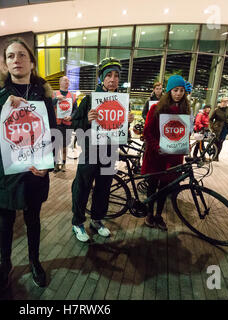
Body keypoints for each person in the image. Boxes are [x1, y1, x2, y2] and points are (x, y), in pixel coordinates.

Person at [0, 38, 56, 294]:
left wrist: (48, 166)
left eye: (21, 55)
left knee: (33, 219)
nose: (16, 60)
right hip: (4, 169)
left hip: (34, 169)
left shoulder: (42, 93)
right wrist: (1, 106)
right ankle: (5, 264)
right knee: (6, 220)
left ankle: (34, 261)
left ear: (31, 61)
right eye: (10, 56)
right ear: (6, 62)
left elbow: (52, 133)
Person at [71, 57, 135, 242]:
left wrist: (128, 125)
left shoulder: (122, 101)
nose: (113, 79)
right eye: (109, 75)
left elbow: (123, 134)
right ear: (102, 78)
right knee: (82, 187)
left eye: (116, 76)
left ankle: (97, 220)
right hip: (90, 151)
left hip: (109, 152)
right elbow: (75, 124)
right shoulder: (90, 99)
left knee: (104, 188)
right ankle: (78, 222)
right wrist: (86, 120)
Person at [141, 75, 192, 231]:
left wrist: (184, 145)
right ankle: (149, 213)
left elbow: (186, 132)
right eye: (175, 90)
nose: (178, 93)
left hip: (173, 156)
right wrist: (157, 147)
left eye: (181, 90)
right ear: (169, 90)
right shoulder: (156, 109)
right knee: (152, 185)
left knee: (166, 186)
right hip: (156, 155)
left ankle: (159, 215)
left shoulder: (185, 110)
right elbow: (148, 132)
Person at [52, 76, 77, 172]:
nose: (67, 82)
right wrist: (56, 100)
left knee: (64, 146)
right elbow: (49, 105)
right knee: (55, 145)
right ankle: (55, 164)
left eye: (68, 81)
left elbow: (76, 109)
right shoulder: (54, 94)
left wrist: (71, 117)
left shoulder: (72, 95)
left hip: (67, 124)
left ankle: (63, 164)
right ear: (60, 82)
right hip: (56, 123)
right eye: (65, 80)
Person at [209, 97, 228, 161]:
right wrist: (212, 126)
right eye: (223, 102)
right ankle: (214, 155)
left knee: (221, 142)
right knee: (215, 142)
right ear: (221, 102)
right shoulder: (217, 110)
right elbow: (211, 119)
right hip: (217, 128)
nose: (225, 103)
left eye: (226, 102)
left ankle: (216, 156)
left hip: (225, 128)